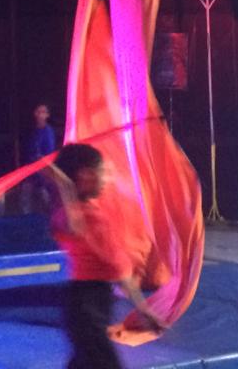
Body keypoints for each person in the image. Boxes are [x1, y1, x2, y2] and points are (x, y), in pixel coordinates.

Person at [44, 143, 165, 368]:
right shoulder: (70, 215)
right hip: (84, 307)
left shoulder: (95, 212)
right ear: (86, 175)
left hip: (97, 304)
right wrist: (66, 188)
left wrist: (144, 310)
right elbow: (75, 227)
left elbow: (120, 267)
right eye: (104, 173)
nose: (107, 179)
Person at [20, 103, 57, 214]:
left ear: (47, 115)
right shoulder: (32, 131)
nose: (40, 114)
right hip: (30, 170)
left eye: (43, 112)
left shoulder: (48, 132)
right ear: (35, 114)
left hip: (44, 170)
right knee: (26, 198)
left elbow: (49, 152)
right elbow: (28, 150)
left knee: (45, 198)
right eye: (38, 111)